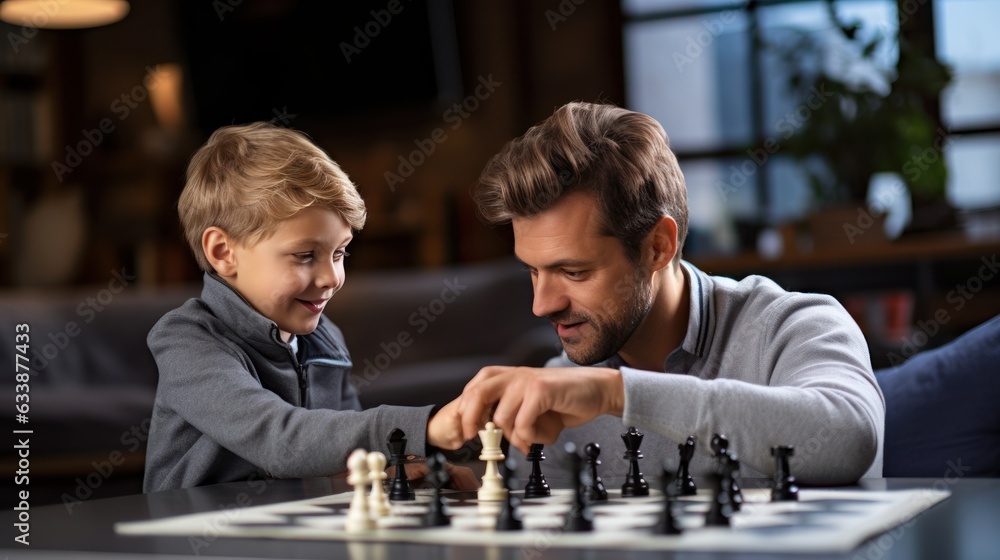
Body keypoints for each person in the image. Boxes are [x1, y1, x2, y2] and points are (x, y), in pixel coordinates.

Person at [453, 102, 884, 484]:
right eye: (533, 271)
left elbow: (849, 441)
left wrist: (616, 393)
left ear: (658, 246)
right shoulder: (557, 391)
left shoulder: (797, 327)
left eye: (573, 271)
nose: (542, 304)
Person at [143, 123, 469, 492]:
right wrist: (426, 428)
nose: (332, 277)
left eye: (340, 252)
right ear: (223, 252)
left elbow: (344, 459)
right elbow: (280, 442)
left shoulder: (327, 339)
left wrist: (404, 467)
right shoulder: (187, 340)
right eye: (305, 255)